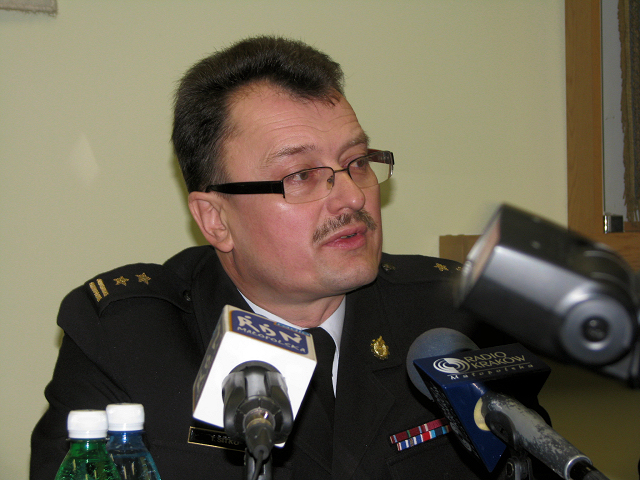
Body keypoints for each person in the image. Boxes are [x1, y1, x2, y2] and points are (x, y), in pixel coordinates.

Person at [31, 36, 536, 480]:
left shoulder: (452, 317)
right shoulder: (125, 342)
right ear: (215, 219)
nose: (352, 197)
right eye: (300, 175)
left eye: (356, 162)